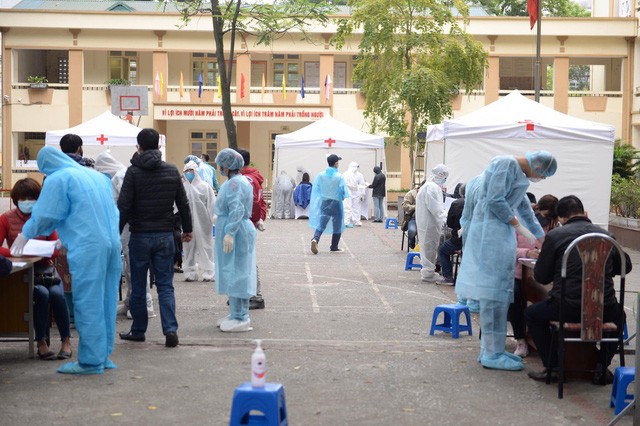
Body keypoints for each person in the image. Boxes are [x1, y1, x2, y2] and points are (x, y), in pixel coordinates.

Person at [11, 146, 121, 375]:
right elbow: (103, 212)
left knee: (88, 301)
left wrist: (26, 233)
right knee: (106, 299)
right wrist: (67, 237)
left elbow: (47, 213)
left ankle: (90, 362)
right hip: (110, 243)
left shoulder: (59, 178)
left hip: (88, 248)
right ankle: (103, 355)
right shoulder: (97, 176)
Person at [455, 150, 557, 371]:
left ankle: (492, 349)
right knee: (494, 294)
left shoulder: (519, 175)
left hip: (500, 236)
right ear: (539, 167)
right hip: (491, 235)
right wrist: (516, 225)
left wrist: (544, 239)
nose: (540, 178)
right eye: (543, 175)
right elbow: (495, 200)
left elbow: (525, 210)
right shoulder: (505, 164)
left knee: (500, 296)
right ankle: (492, 353)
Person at [525, 195, 631, 383]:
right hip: (604, 309)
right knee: (619, 316)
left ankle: (554, 367)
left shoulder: (555, 236)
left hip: (566, 309)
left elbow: (542, 277)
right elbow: (625, 267)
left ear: (561, 218)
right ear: (584, 212)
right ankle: (601, 368)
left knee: (532, 314)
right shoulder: (605, 236)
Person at [118, 128, 193, 348]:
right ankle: (170, 330)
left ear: (138, 147)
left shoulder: (133, 172)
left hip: (139, 236)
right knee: (165, 285)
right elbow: (183, 203)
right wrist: (187, 229)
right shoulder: (171, 170)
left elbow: (123, 206)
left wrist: (115, 233)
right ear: (159, 146)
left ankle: (138, 330)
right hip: (165, 236)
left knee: (139, 285)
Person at [0, 178, 72, 361]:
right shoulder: (5, 219)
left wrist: (41, 251)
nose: (27, 202)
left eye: (32, 198)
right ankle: (41, 342)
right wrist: (15, 252)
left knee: (57, 295)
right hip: (23, 273)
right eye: (23, 198)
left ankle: (66, 341)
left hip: (46, 269)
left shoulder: (45, 219)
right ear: (16, 199)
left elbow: (55, 249)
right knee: (42, 294)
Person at [95, 151, 155, 320]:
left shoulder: (121, 176)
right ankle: (130, 302)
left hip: (131, 226)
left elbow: (127, 203)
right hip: (125, 226)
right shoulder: (118, 176)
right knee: (129, 266)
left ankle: (145, 304)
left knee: (136, 266)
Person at [508, 194, 558, 359]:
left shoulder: (553, 227)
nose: (546, 221)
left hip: (542, 275)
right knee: (515, 296)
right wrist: (527, 252)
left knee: (550, 297)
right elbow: (508, 249)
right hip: (518, 273)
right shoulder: (518, 224)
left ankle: (542, 339)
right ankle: (521, 340)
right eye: (545, 216)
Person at [214, 148, 257, 332]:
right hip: (234, 229)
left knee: (238, 273)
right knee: (231, 271)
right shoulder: (233, 181)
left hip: (237, 231)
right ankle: (234, 313)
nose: (220, 168)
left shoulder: (236, 183)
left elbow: (237, 209)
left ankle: (241, 316)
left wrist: (230, 232)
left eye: (221, 165)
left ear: (227, 165)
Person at [237, 149, 267, 310]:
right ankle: (243, 293)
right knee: (243, 260)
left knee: (247, 261)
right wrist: (259, 218)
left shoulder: (246, 179)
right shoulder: (253, 177)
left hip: (244, 223)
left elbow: (254, 203)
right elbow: (260, 202)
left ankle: (255, 295)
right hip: (247, 223)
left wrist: (255, 219)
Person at [182, 160, 216, 282]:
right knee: (188, 248)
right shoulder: (182, 187)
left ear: (196, 172)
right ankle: (190, 273)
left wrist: (214, 218)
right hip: (187, 224)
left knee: (206, 247)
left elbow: (212, 204)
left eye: (191, 170)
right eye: (186, 171)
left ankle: (209, 273)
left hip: (203, 222)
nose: (189, 173)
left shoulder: (205, 187)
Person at [416, 164, 448, 283]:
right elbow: (436, 208)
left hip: (427, 222)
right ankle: (428, 274)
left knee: (428, 247)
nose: (445, 179)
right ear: (440, 175)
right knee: (429, 247)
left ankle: (428, 271)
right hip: (430, 223)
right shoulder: (431, 188)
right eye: (444, 177)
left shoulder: (428, 186)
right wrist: (445, 216)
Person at [309, 154, 348, 254]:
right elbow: (342, 190)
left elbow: (317, 188)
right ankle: (334, 247)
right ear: (336, 164)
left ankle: (315, 239)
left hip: (325, 202)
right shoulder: (339, 176)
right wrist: (342, 197)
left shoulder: (321, 175)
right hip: (336, 203)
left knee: (322, 223)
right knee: (337, 225)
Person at [437, 183, 465, 285]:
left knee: (443, 250)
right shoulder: (478, 203)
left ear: (460, 193)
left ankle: (448, 276)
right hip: (473, 240)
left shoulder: (457, 203)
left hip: (458, 240)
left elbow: (450, 223)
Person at [342, 162, 367, 227]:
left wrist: (362, 194)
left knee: (356, 208)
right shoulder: (346, 174)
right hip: (349, 193)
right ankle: (346, 221)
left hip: (356, 194)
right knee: (347, 208)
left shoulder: (359, 175)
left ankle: (356, 221)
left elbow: (362, 184)